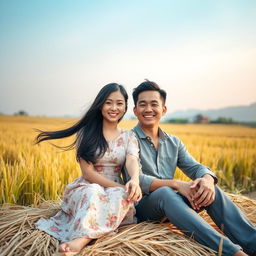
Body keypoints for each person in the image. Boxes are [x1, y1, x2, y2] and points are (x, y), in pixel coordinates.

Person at [130, 80, 256, 256]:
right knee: (166, 192)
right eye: (142, 105)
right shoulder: (128, 140)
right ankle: (232, 252)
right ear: (135, 110)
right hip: (143, 207)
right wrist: (175, 184)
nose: (148, 109)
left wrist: (207, 179)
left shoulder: (173, 142)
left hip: (173, 206)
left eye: (154, 104)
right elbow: (137, 179)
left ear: (163, 110)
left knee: (210, 190)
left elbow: (195, 167)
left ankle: (253, 244)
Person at [35, 83, 142, 254]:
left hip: (114, 191)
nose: (114, 108)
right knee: (93, 192)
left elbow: (131, 159)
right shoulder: (86, 133)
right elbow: (88, 173)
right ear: (100, 105)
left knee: (121, 195)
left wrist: (134, 180)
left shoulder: (129, 136)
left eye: (119, 103)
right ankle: (82, 240)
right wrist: (120, 187)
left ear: (125, 107)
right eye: (108, 102)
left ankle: (81, 239)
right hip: (87, 186)